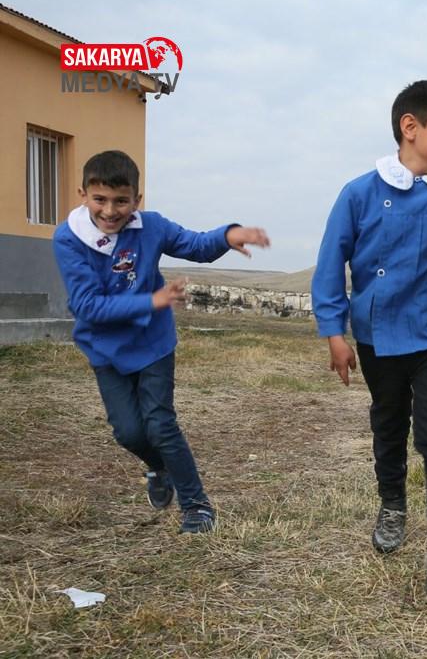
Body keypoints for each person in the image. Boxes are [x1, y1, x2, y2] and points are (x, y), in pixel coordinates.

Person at [311, 80, 427, 596]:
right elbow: (330, 266)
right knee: (389, 425)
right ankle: (392, 505)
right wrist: (334, 333)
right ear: (410, 127)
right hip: (378, 335)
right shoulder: (359, 193)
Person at [53, 150, 270, 534]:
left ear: (136, 199)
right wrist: (151, 301)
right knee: (128, 432)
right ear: (83, 194)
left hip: (153, 343)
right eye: (100, 199)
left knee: (160, 425)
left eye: (121, 201)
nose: (110, 210)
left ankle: (196, 506)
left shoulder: (150, 227)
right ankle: (158, 467)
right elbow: (87, 305)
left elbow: (195, 245)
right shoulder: (69, 239)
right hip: (105, 349)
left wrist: (228, 235)